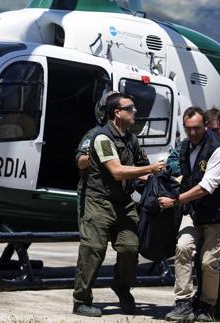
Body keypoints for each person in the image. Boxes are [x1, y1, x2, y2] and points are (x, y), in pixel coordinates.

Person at [72, 92, 166, 317]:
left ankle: (122, 286)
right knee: (93, 250)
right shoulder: (101, 137)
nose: (135, 112)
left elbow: (140, 169)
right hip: (98, 202)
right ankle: (81, 300)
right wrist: (150, 169)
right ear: (117, 113)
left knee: (129, 248)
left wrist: (160, 179)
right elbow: (117, 172)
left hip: (123, 204)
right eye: (131, 108)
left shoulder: (130, 139)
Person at [165, 108, 220, 320]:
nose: (209, 134)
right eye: (191, 129)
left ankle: (216, 305)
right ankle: (190, 302)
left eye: (215, 130)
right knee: (187, 250)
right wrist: (191, 176)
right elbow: (172, 162)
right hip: (197, 205)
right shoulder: (191, 144)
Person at [74, 91, 116, 228]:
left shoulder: (126, 137)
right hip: (93, 194)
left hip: (115, 195)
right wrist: (91, 156)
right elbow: (81, 162)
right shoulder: (94, 134)